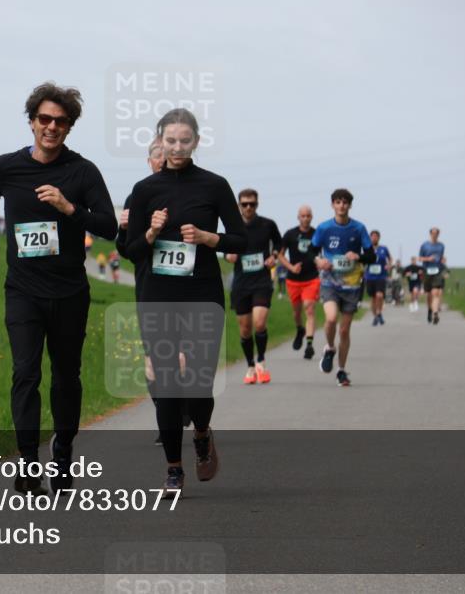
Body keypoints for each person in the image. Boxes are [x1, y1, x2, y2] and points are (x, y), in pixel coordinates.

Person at [0, 82, 117, 495]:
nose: (51, 127)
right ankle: (27, 462)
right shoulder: (6, 167)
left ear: (69, 126)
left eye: (60, 121)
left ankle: (63, 451)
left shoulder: (83, 172)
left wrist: (68, 207)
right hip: (23, 291)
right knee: (25, 373)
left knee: (66, 378)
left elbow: (108, 226)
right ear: (32, 121)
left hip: (69, 291)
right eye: (45, 119)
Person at [125, 108, 246, 496]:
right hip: (158, 297)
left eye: (185, 140)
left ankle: (203, 432)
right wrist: (150, 232)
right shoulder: (144, 190)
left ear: (196, 141)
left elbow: (243, 240)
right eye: (170, 140)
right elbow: (128, 250)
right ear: (160, 141)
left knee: (197, 385)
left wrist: (210, 239)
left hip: (202, 295)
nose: (177, 147)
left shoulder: (214, 185)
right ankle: (174, 469)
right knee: (166, 382)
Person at [116, 138, 189, 447]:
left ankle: (181, 406)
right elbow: (125, 249)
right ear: (149, 162)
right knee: (154, 361)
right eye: (157, 156)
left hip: (184, 285)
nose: (162, 160)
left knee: (181, 359)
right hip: (149, 285)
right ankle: (166, 417)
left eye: (166, 155)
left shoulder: (189, 191)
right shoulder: (138, 195)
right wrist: (123, 228)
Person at [310, 189, 375, 387]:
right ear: (332, 205)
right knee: (331, 318)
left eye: (345, 202)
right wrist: (318, 261)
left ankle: (341, 370)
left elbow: (371, 256)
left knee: (345, 331)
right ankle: (330, 347)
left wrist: (358, 256)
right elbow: (311, 251)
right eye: (338, 202)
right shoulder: (324, 228)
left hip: (352, 284)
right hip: (329, 282)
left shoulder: (358, 228)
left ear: (350, 205)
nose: (341, 206)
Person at [224, 189, 282, 385]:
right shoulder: (233, 226)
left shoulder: (267, 224)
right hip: (241, 283)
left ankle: (261, 362)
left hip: (262, 281)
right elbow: (225, 248)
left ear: (257, 204)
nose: (248, 207)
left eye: (252, 204)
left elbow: (279, 243)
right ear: (239, 206)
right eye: (245, 204)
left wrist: (274, 257)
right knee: (245, 329)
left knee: (259, 322)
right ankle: (250, 365)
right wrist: (228, 256)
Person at [280, 205, 320, 360]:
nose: (306, 218)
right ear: (298, 217)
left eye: (308, 215)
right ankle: (299, 329)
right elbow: (280, 255)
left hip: (311, 278)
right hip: (293, 279)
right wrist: (291, 267)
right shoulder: (290, 234)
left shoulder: (317, 234)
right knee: (297, 312)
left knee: (309, 308)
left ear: (312, 217)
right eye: (303, 216)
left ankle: (309, 345)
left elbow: (323, 253)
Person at [419, 227, 447, 324]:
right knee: (429, 294)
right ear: (430, 234)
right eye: (433, 233)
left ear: (438, 234)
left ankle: (435, 313)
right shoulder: (424, 245)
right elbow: (420, 258)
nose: (435, 235)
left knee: (435, 293)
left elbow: (441, 257)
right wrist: (428, 259)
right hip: (427, 271)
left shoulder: (441, 246)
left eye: (436, 233)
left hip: (437, 271)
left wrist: (443, 260)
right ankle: (430, 310)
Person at [364, 230, 391, 326]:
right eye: (372, 236)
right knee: (373, 298)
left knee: (379, 295)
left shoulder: (384, 248)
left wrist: (389, 265)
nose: (374, 238)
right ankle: (375, 316)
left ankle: (379, 312)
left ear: (379, 238)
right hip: (370, 277)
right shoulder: (366, 248)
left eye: (376, 236)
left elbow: (390, 259)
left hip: (381, 276)